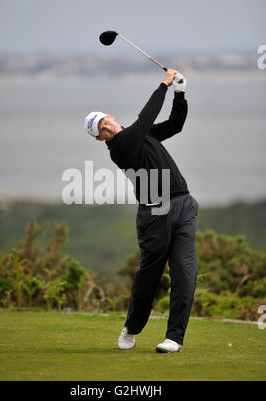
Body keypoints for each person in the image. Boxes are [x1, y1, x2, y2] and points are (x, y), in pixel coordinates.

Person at [84, 70, 199, 353]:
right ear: (101, 139)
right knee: (150, 274)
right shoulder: (120, 147)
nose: (107, 127)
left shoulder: (142, 133)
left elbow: (175, 124)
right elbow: (146, 117)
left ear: (109, 116)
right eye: (102, 130)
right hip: (155, 211)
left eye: (105, 121)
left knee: (185, 272)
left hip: (183, 203)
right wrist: (164, 84)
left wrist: (180, 93)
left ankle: (174, 338)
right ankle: (132, 329)